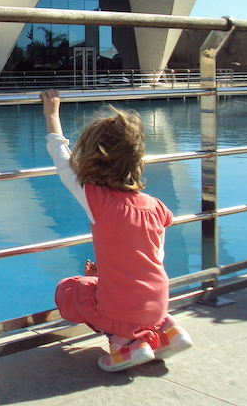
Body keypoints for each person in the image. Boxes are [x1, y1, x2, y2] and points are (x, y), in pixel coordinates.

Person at [40, 89, 193, 372]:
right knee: (131, 298)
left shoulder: (97, 200)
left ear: (93, 157)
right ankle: (169, 331)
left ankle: (125, 345)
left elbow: (63, 161)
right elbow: (152, 258)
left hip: (124, 311)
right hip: (158, 303)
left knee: (71, 289)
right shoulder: (156, 206)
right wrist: (107, 273)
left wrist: (52, 116)